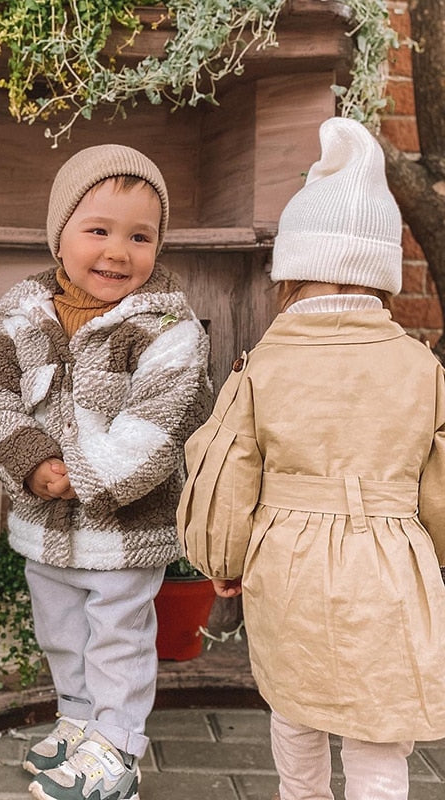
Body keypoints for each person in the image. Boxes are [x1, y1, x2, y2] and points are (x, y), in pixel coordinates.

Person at [176, 116, 445, 800]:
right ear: (382, 278)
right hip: (390, 569)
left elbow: (229, 470)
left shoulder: (264, 364)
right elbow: (437, 482)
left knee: (297, 712)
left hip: (287, 562)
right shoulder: (421, 366)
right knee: (379, 731)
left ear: (289, 276)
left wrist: (224, 563)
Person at [0, 144, 213, 800]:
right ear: (59, 236)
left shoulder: (167, 331)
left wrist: (80, 472)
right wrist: (29, 462)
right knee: (60, 629)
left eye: (140, 236)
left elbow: (160, 425)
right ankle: (78, 720)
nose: (118, 251)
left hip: (124, 528)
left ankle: (118, 748)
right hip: (43, 523)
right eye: (98, 230)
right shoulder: (23, 320)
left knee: (118, 636)